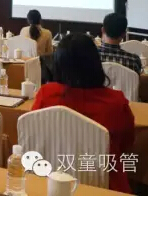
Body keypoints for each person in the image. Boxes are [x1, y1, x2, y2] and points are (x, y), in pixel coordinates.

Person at [32, 33, 134, 193]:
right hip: (106, 187)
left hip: (50, 183)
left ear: (58, 64)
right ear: (95, 63)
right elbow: (127, 143)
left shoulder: (46, 94)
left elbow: (34, 135)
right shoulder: (116, 102)